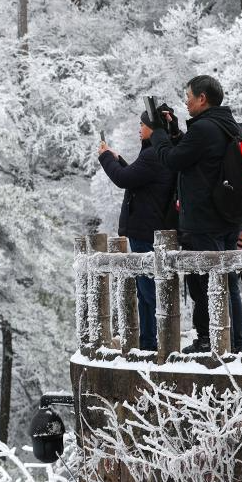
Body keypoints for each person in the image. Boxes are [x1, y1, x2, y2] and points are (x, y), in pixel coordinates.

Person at [150, 75, 242, 354]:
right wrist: (175, 132)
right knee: (228, 280)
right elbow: (196, 156)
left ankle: (214, 343)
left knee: (208, 282)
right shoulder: (228, 125)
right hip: (227, 215)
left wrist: (158, 133)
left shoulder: (204, 128)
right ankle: (233, 342)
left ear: (202, 98)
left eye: (188, 96)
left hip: (205, 218)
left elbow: (172, 160)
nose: (186, 102)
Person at [98, 112, 176, 351]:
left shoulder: (153, 154)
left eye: (142, 124)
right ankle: (149, 341)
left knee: (149, 290)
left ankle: (155, 343)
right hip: (150, 227)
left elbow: (124, 179)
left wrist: (105, 158)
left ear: (152, 127)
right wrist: (118, 159)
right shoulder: (158, 151)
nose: (139, 129)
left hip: (145, 229)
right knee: (146, 290)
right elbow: (136, 177)